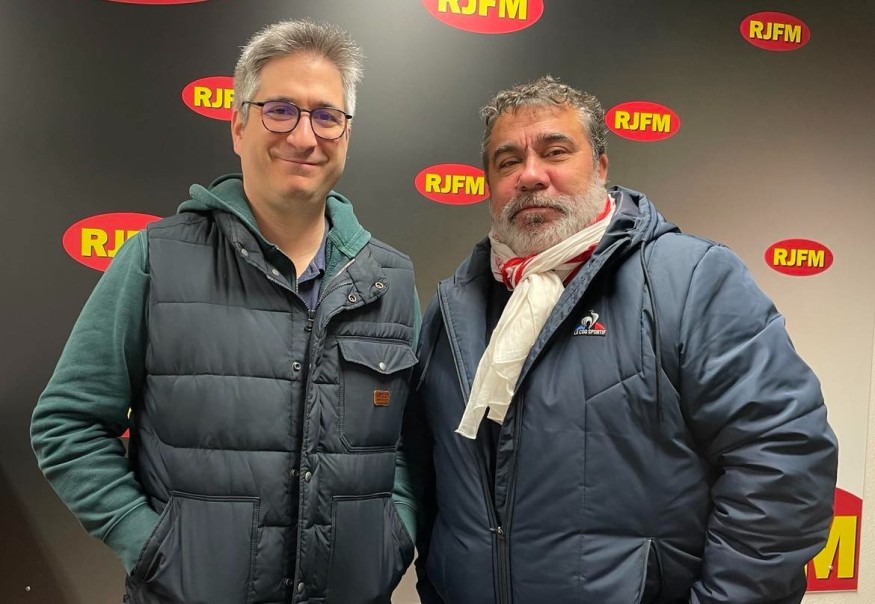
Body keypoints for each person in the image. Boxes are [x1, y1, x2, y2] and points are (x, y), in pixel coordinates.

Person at [394, 75, 838, 603]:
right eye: (507, 162)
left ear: (601, 167)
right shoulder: (454, 307)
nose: (530, 175)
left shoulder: (691, 281)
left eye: (555, 152)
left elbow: (783, 464)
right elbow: (426, 480)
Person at [32, 20, 418, 604]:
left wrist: (392, 540)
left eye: (326, 115)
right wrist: (152, 546)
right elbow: (67, 423)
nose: (304, 136)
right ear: (238, 126)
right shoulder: (157, 259)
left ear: (346, 133)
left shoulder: (390, 280)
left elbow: (415, 443)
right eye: (280, 111)